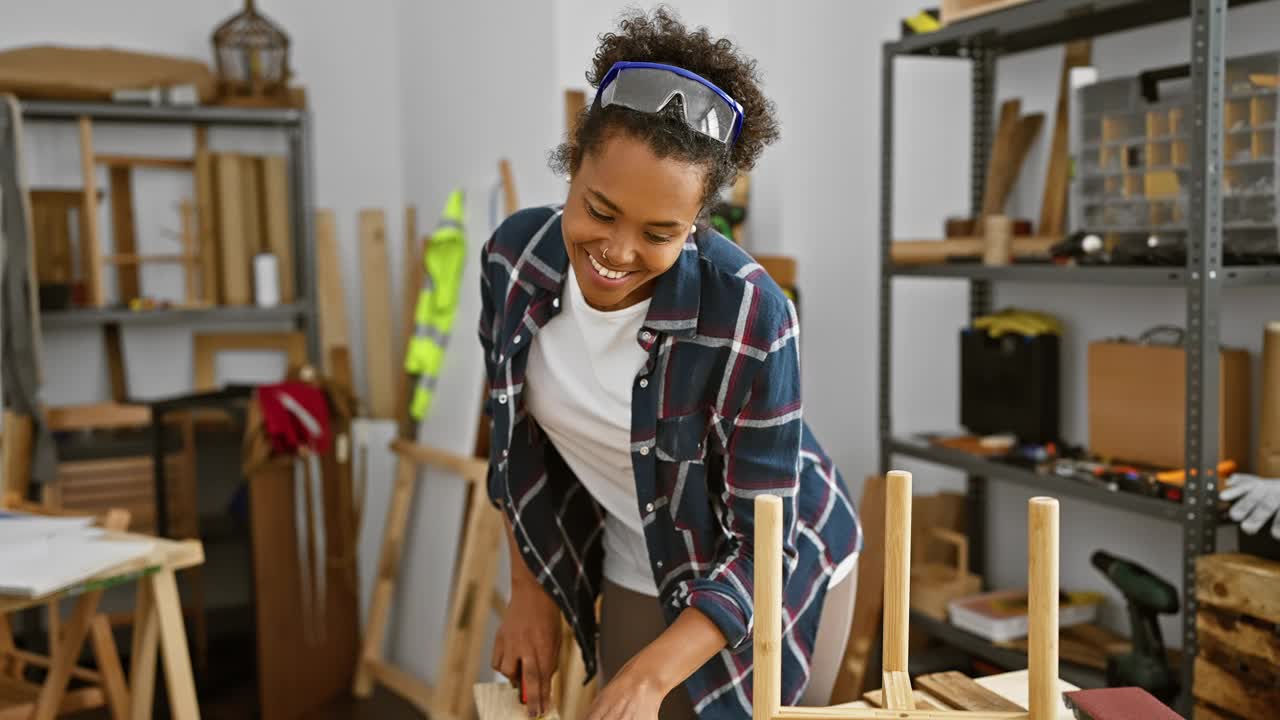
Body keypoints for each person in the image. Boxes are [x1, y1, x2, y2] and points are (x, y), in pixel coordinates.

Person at [479, 8, 861, 719]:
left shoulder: (751, 315)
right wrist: (527, 586)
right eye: (598, 209)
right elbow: (509, 440)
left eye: (659, 233)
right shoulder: (514, 260)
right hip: (638, 545)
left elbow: (761, 549)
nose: (617, 252)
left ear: (696, 224)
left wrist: (653, 677)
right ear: (573, 166)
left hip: (774, 562)